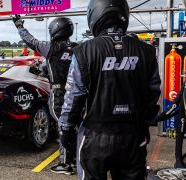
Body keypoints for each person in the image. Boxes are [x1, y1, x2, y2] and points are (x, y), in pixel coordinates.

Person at [59, 0, 161, 179]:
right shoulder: (146, 51)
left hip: (94, 135)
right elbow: (153, 93)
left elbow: (74, 96)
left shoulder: (83, 51)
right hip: (132, 135)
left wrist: (66, 129)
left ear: (94, 14)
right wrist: (145, 123)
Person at [13, 15, 77, 175]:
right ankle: (75, 157)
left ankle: (65, 164)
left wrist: (20, 26)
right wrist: (44, 68)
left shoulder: (52, 47)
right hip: (76, 91)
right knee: (74, 125)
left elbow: (31, 41)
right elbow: (61, 65)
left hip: (59, 92)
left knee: (63, 125)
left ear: (55, 29)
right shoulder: (77, 48)